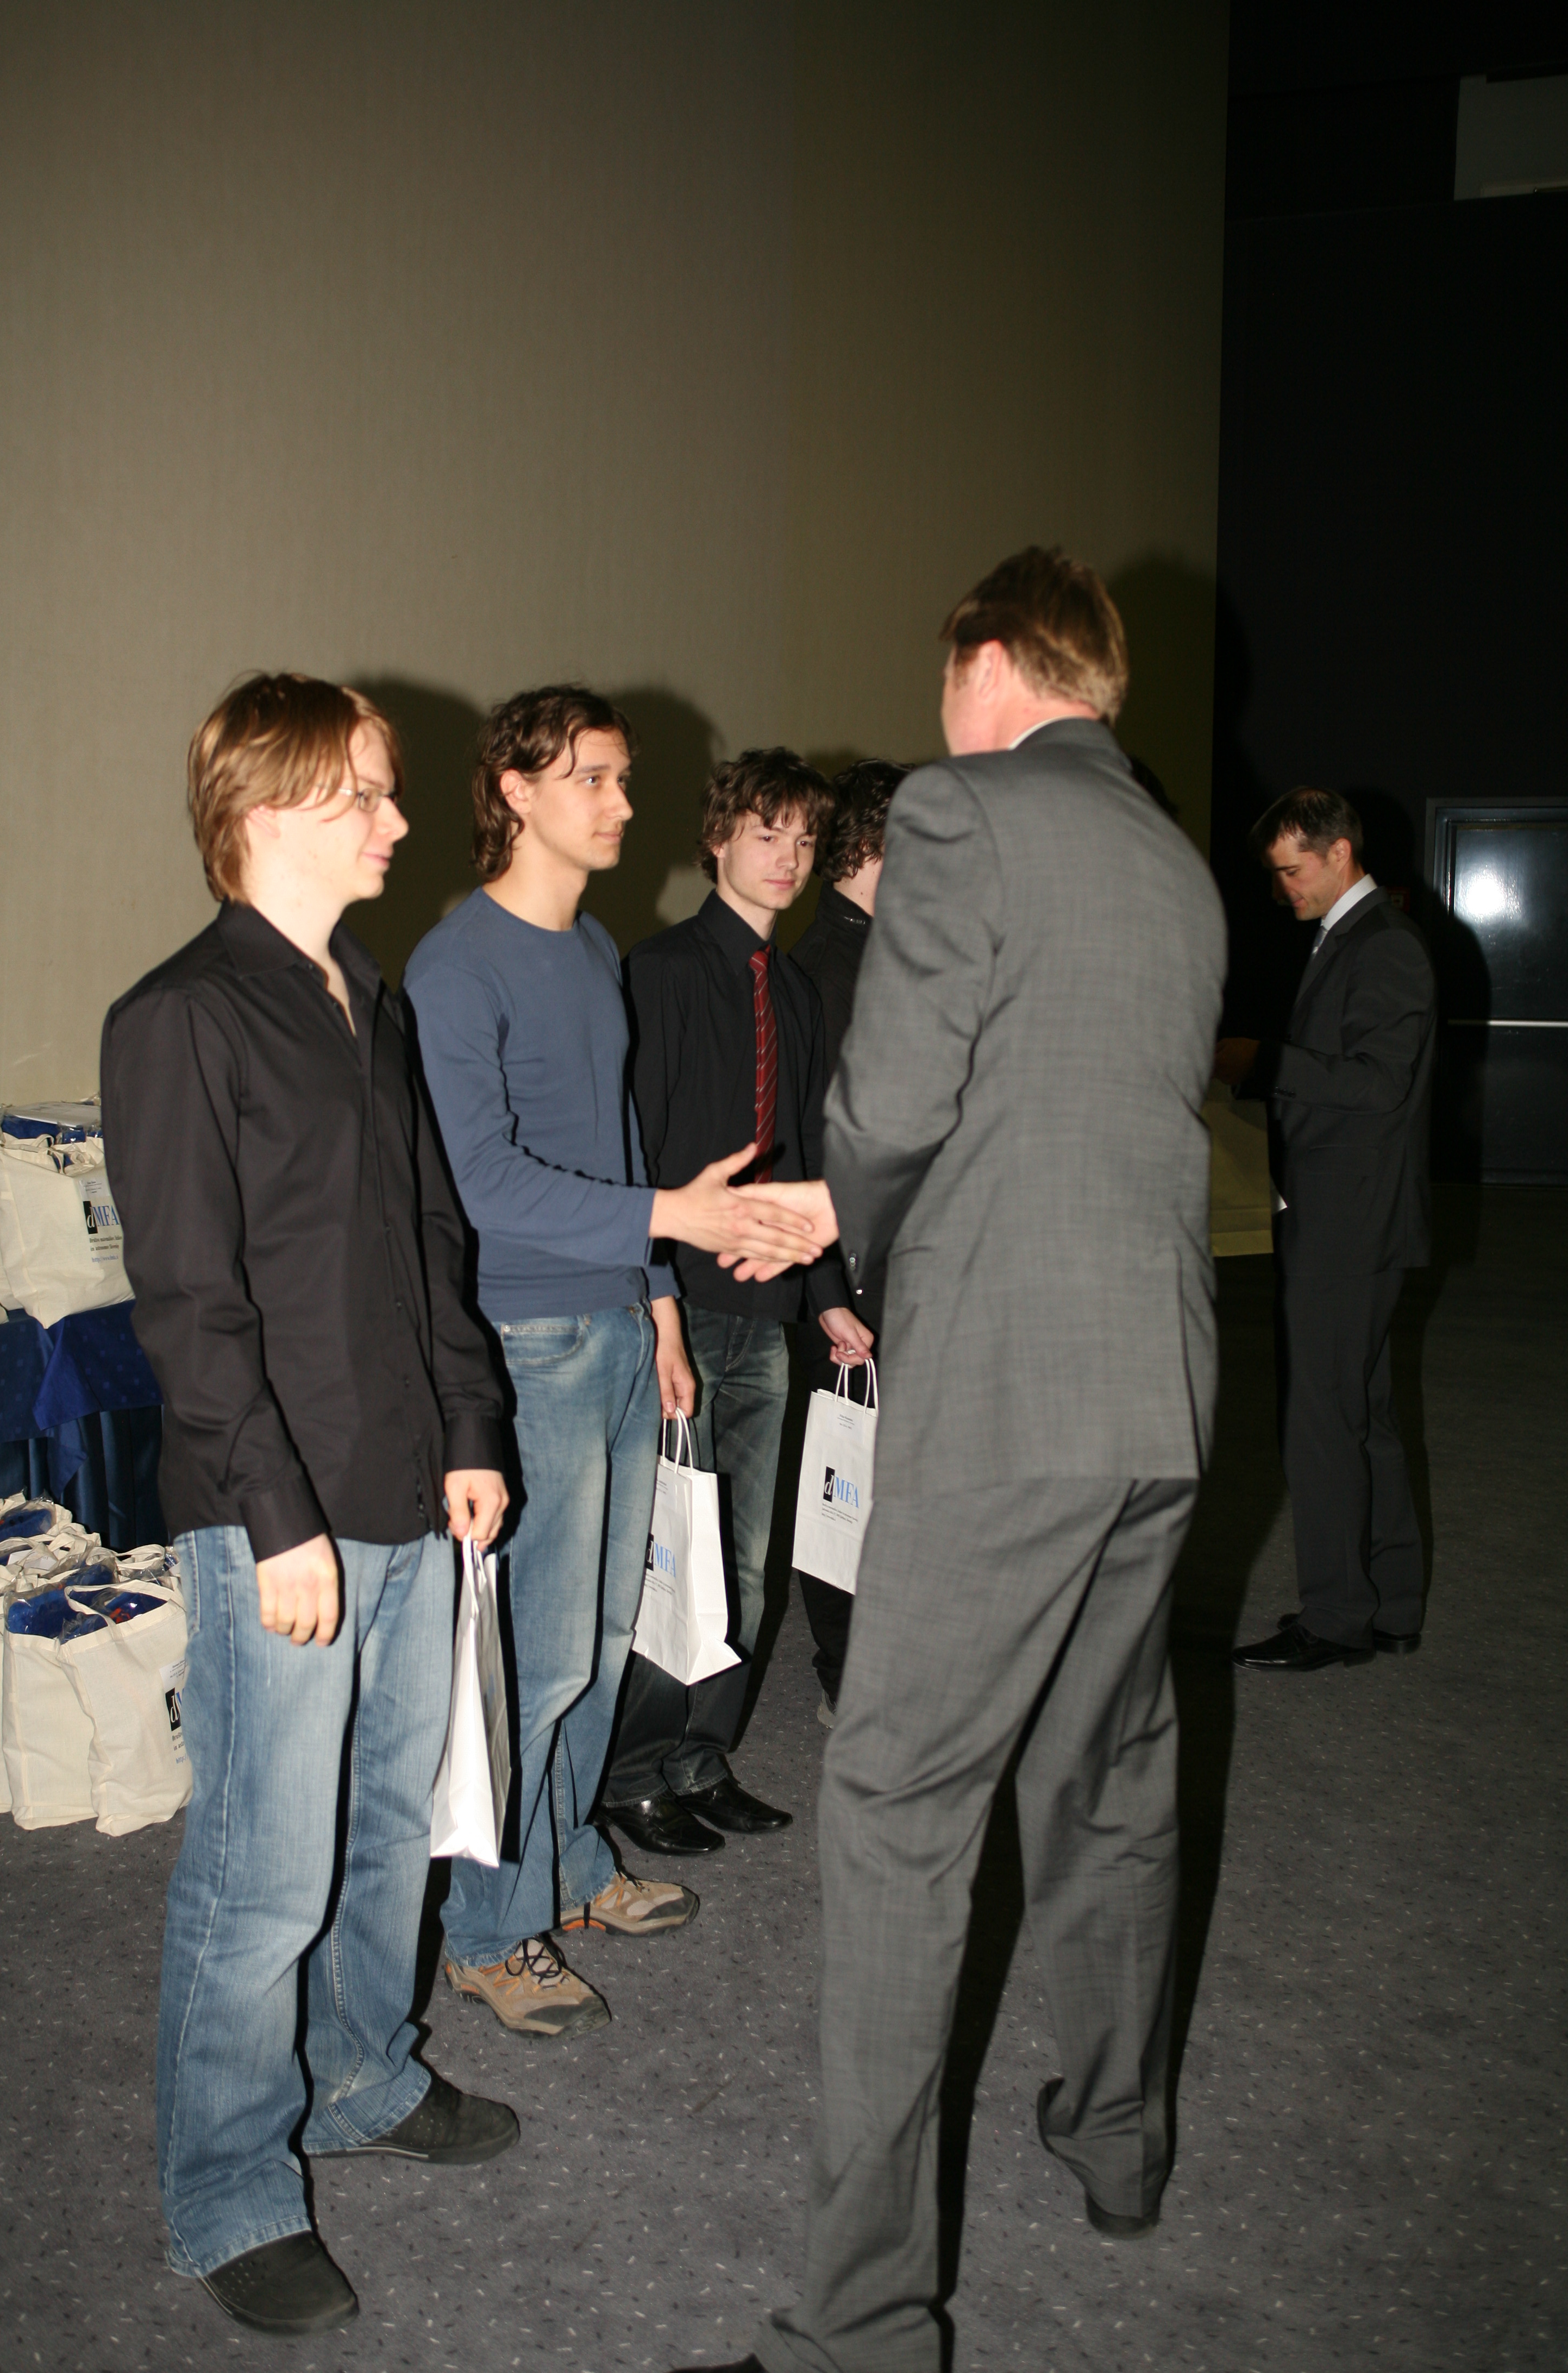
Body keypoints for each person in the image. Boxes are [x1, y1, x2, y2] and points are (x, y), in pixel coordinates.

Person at [674, 544, 1227, 2373]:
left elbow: (899, 1098)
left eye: (943, 680)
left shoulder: (963, 811)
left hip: (1004, 1398)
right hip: (1157, 1391)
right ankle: (1118, 2142)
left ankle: (859, 2324)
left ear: (990, 661)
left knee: (902, 1805)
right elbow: (1067, 1105)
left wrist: (829, 1201)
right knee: (1112, 1774)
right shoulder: (1169, 854)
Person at [102, 674, 517, 2339]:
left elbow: (429, 1240)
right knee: (261, 1868)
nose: (400, 821)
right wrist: (276, 1521)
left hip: (409, 1483)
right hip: (276, 1511)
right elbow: (189, 1305)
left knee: (383, 1826)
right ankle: (225, 2190)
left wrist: (471, 1426)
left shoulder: (370, 1001)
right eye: (370, 794)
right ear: (270, 808)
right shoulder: (181, 1018)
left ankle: (359, 2077)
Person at [404, 689, 820, 2038]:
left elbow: (620, 1148)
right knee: (533, 1660)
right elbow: (481, 1182)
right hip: (526, 1342)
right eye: (592, 778)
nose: (623, 805)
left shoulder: (588, 947)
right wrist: (671, 1226)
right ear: (513, 791)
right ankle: (487, 1930)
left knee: (596, 1644)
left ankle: (571, 1866)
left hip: (620, 1330)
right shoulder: (457, 966)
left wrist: (659, 1309)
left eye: (625, 779)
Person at [601, 749, 871, 1857]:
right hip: (680, 1307)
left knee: (748, 1562)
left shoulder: (794, 988)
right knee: (674, 1550)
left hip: (767, 1313)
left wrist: (827, 1297)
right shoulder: (659, 972)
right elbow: (636, 1155)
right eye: (769, 835)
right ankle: (633, 1773)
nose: (789, 859)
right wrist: (657, 1303)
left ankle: (700, 1757)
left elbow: (802, 1150)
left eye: (805, 841)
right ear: (718, 839)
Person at [1216, 787, 1436, 1671]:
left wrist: (1263, 1060)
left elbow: (1379, 1083)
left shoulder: (1385, 945)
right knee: (1362, 1412)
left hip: (1350, 1221)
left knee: (1321, 1420)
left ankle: (1339, 1617)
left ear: (1340, 851)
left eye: (1292, 870)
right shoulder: (1354, 937)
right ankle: (1391, 1602)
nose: (1284, 889)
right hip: (1351, 1213)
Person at [787, 758, 907, 1725]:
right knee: (844, 1474)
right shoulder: (825, 970)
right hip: (854, 1273)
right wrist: (830, 1286)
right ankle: (849, 1669)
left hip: (903, 1262)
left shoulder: (889, 956)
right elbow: (814, 1148)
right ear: (873, 844)